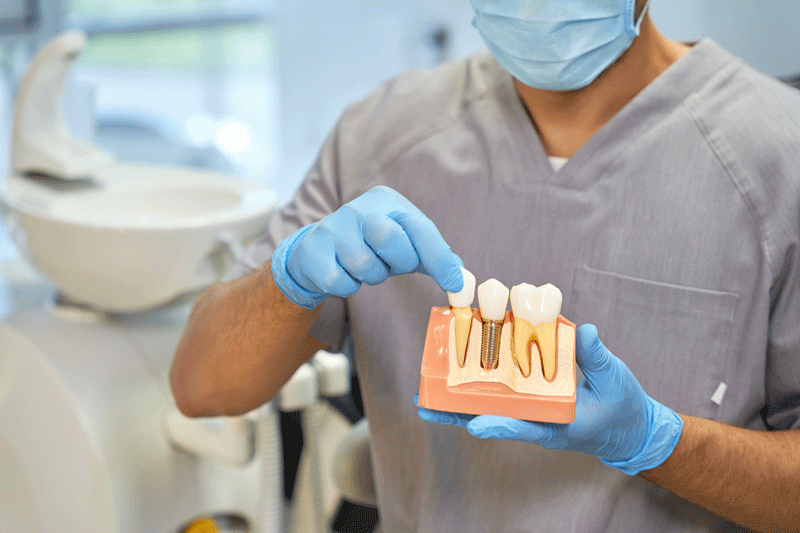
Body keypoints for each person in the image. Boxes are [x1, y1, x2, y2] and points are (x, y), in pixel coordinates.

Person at [170, 0, 800, 530]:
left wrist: (655, 441)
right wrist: (289, 283)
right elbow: (203, 388)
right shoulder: (379, 135)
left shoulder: (778, 156)